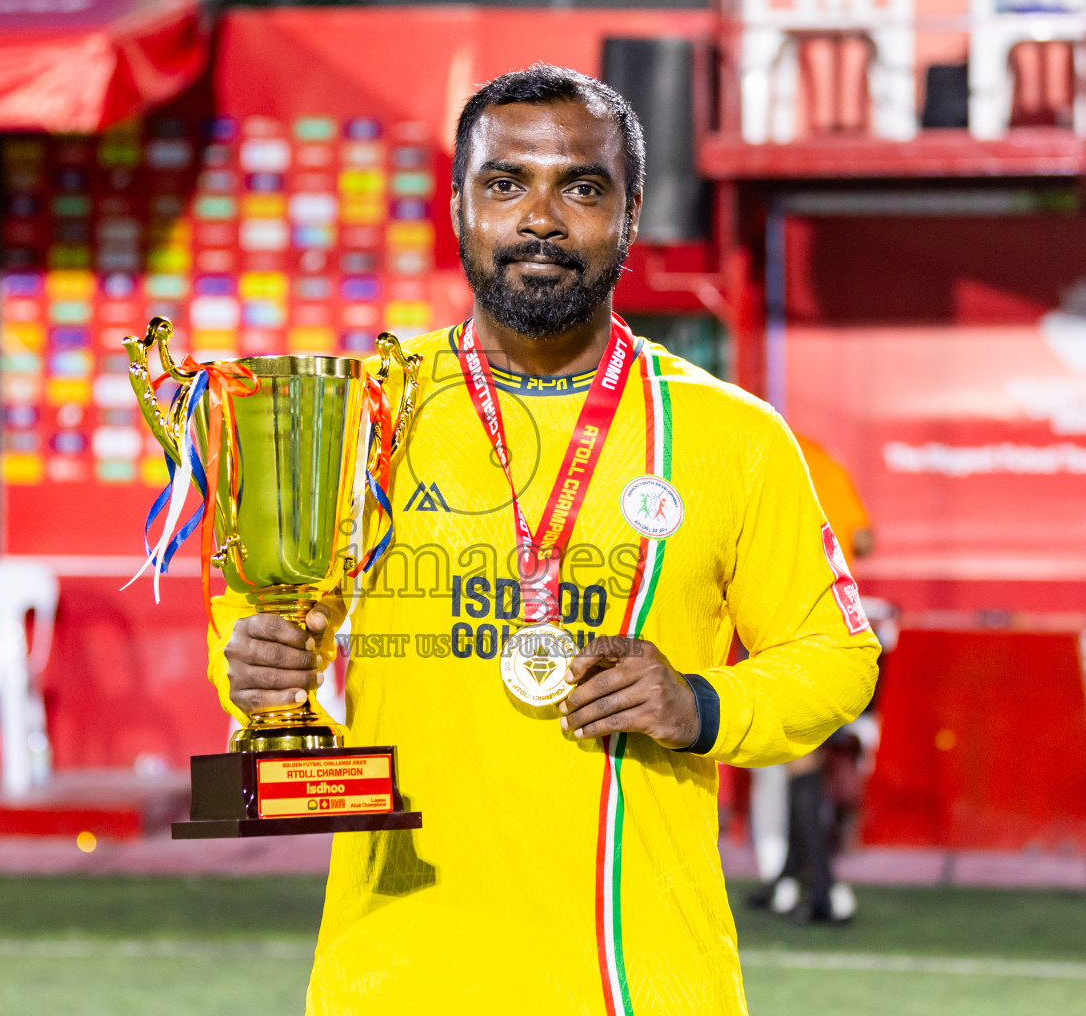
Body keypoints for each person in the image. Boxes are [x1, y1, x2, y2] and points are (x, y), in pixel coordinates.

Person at [211, 65, 879, 1014]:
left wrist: (700, 701)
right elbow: (251, 616)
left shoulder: (730, 436)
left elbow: (837, 653)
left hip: (640, 980)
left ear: (631, 212)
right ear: (456, 206)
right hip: (398, 977)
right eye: (504, 182)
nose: (540, 218)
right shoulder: (357, 415)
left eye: (581, 186)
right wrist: (258, 672)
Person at [746, 435, 874, 925]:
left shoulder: (761, 452)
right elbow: (863, 539)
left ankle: (821, 887)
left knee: (797, 763)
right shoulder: (823, 460)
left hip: (785, 619)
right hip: (836, 621)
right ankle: (792, 880)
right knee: (801, 757)